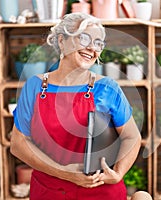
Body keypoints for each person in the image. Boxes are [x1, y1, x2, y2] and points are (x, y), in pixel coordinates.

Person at [10, 12, 142, 199]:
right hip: (49, 192)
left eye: (98, 43)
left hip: (100, 192)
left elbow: (132, 137)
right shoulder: (35, 86)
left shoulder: (107, 88)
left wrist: (118, 173)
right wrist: (64, 172)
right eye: (84, 38)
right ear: (62, 41)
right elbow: (18, 144)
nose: (92, 48)